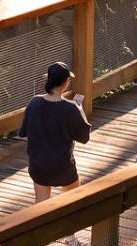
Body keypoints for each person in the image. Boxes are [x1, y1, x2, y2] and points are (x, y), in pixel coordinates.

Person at [18, 61, 93, 203]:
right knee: (75, 200)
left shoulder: (34, 102)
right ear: (66, 82)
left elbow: (23, 132)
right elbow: (84, 137)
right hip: (62, 166)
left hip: (38, 165)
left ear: (49, 79)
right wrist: (80, 110)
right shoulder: (70, 108)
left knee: (41, 206)